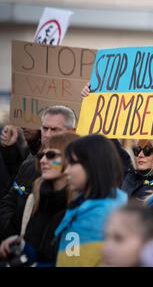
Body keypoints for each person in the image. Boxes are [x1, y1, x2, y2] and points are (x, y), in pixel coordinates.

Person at [0, 133, 80, 267]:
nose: (43, 160)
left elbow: (71, 262)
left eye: (51, 155)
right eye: (41, 155)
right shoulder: (34, 199)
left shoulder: (80, 208)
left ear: (72, 159)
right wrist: (22, 246)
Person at [0, 106, 76, 241]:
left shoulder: (79, 176)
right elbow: (10, 200)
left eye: (54, 129)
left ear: (72, 132)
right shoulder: (29, 166)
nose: (47, 134)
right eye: (45, 128)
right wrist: (13, 236)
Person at [54, 135, 128, 266]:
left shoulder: (107, 215)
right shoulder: (84, 206)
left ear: (92, 164)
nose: (66, 171)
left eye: (72, 163)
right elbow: (72, 258)